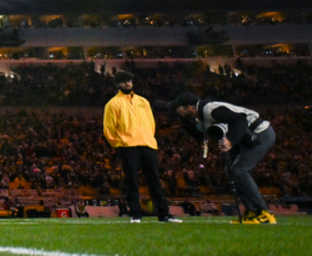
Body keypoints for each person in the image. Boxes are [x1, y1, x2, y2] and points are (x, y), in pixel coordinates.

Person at [173, 92, 277, 225]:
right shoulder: (200, 116)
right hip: (246, 137)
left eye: (180, 108)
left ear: (190, 107)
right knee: (231, 171)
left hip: (259, 133)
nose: (178, 112)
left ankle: (264, 213)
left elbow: (240, 119)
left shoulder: (209, 109)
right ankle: (251, 211)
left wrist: (230, 141)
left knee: (239, 170)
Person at [101, 71, 178, 223]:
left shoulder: (143, 101)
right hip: (128, 146)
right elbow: (108, 129)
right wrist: (120, 143)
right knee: (132, 181)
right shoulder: (113, 104)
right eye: (124, 81)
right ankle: (135, 214)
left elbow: (151, 123)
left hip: (147, 144)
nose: (127, 84)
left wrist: (149, 138)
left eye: (129, 81)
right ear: (118, 84)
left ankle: (164, 214)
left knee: (155, 180)